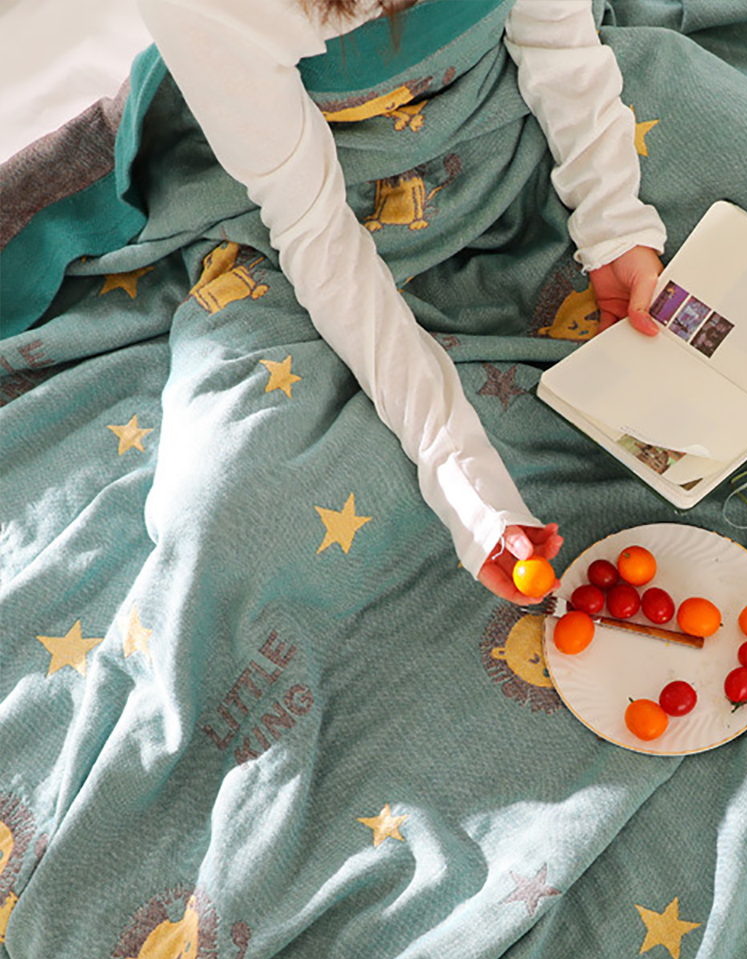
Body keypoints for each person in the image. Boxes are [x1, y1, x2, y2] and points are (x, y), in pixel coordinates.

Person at [136, 0, 667, 603]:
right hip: (320, 189)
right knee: (238, 510)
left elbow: (556, 40)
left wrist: (614, 223)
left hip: (498, 106)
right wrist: (458, 474)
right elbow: (317, 235)